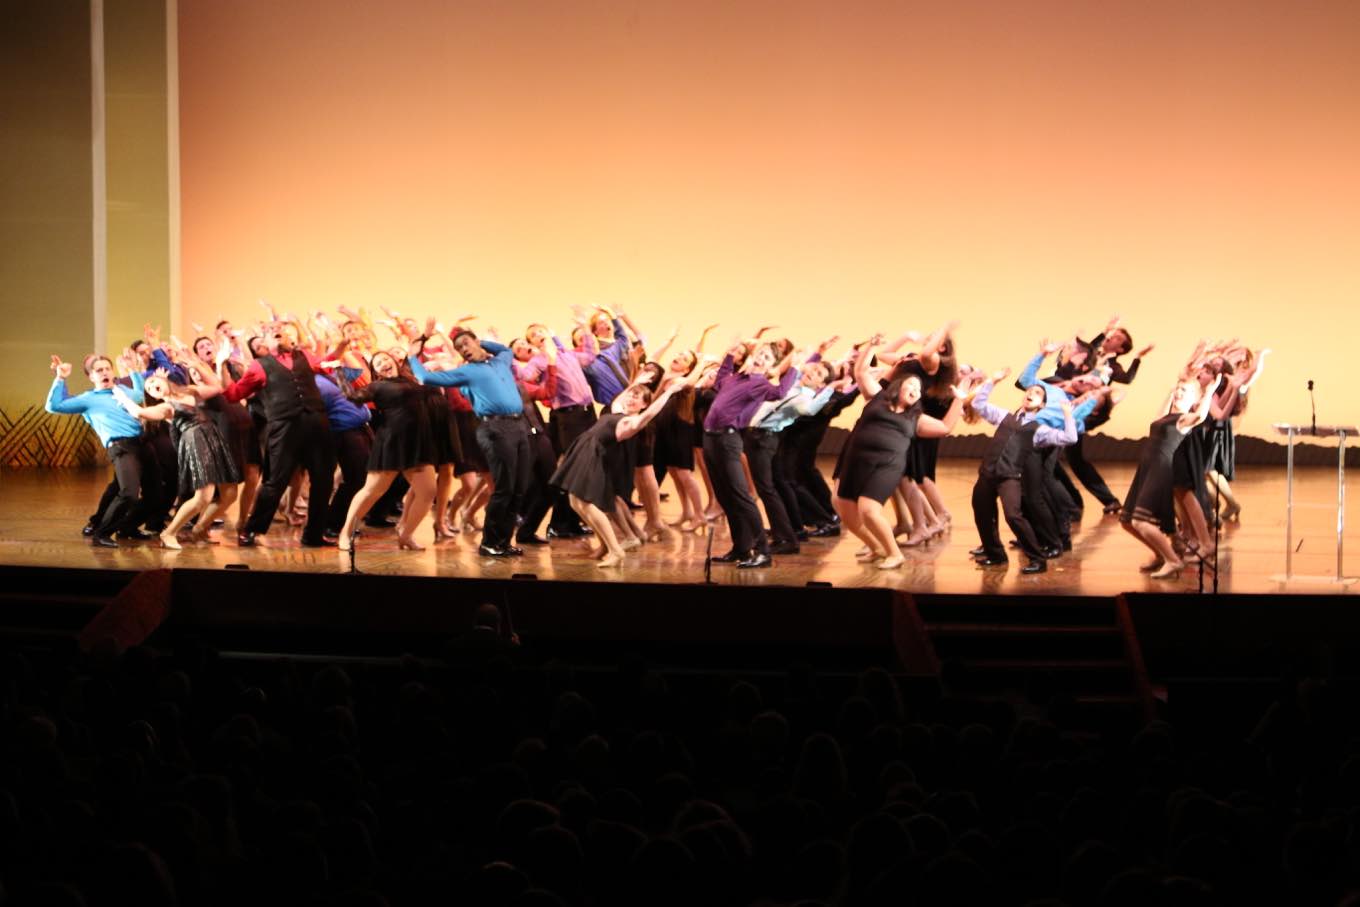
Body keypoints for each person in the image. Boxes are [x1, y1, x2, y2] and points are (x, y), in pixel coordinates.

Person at [833, 336, 965, 570]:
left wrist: (959, 401)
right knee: (844, 509)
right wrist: (871, 346)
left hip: (887, 466)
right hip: (857, 460)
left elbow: (944, 428)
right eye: (911, 384)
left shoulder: (916, 417)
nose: (915, 389)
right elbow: (862, 372)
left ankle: (895, 554)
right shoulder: (878, 397)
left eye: (918, 388)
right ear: (898, 386)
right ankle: (877, 548)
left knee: (869, 510)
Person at [408, 329, 530, 558]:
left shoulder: (500, 362)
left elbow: (505, 349)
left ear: (477, 342)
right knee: (503, 489)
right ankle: (490, 543)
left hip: (519, 426)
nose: (464, 349)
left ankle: (503, 542)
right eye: (459, 347)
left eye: (466, 343)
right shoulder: (467, 372)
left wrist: (481, 343)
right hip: (494, 428)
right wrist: (412, 357)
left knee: (519, 489)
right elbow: (425, 378)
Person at [551, 378, 691, 567]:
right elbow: (620, 398)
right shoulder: (617, 411)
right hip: (584, 449)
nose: (631, 398)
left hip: (593, 455)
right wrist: (636, 382)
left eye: (638, 397)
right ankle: (604, 546)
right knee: (574, 501)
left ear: (644, 405)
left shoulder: (631, 422)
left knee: (586, 503)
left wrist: (669, 392)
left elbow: (649, 414)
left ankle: (616, 550)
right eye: (632, 395)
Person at [221, 324, 337, 547]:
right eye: (272, 331)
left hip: (316, 424)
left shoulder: (304, 356)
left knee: (323, 480)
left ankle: (313, 534)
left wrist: (338, 344)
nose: (277, 331)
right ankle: (251, 529)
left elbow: (327, 364)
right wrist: (221, 366)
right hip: (284, 429)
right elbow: (234, 394)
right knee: (275, 482)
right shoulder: (259, 365)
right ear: (264, 342)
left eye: (281, 330)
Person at [111, 362, 242, 549]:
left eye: (154, 381)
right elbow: (138, 411)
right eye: (149, 388)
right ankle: (169, 532)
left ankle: (200, 529)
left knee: (230, 493)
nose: (152, 387)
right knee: (203, 497)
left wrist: (214, 361)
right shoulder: (166, 407)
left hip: (213, 439)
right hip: (197, 443)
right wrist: (123, 398)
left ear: (164, 379)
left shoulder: (189, 391)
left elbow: (217, 387)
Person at [967, 371, 1078, 575]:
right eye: (1030, 390)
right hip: (987, 474)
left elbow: (1070, 438)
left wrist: (1068, 415)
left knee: (1013, 515)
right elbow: (978, 405)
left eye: (1037, 393)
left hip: (1009, 476)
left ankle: (1037, 558)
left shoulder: (1039, 429)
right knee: (982, 513)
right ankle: (995, 554)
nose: (1031, 393)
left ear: (1042, 405)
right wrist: (992, 381)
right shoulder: (1004, 416)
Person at [703, 340, 799, 569]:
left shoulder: (760, 383)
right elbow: (719, 381)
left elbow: (780, 391)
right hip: (710, 438)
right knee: (725, 497)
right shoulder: (737, 377)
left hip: (728, 440)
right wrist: (729, 355)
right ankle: (741, 547)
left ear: (769, 368)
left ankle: (763, 551)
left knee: (741, 496)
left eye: (767, 358)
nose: (761, 358)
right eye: (760, 353)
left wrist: (792, 367)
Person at [45, 354, 153, 548]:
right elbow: (53, 406)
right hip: (121, 447)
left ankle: (127, 527)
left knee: (156, 493)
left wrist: (133, 370)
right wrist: (60, 378)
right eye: (99, 370)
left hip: (142, 444)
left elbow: (138, 394)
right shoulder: (88, 399)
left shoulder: (121, 390)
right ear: (91, 377)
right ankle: (101, 532)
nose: (104, 372)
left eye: (107, 369)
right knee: (129, 493)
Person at [1120, 375, 1223, 579]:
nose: (1178, 392)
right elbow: (1156, 419)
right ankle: (1160, 555)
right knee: (1127, 521)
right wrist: (1172, 390)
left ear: (1194, 398)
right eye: (1178, 389)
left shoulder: (1184, 420)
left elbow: (1201, 416)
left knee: (1141, 522)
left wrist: (1209, 393)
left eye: (1184, 391)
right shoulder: (1166, 417)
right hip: (1146, 470)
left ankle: (1173, 560)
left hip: (1160, 471)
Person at [334, 351, 437, 551]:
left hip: (417, 444)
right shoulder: (377, 386)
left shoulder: (412, 381)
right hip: (391, 443)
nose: (384, 363)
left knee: (427, 492)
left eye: (386, 359)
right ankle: (345, 532)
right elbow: (353, 397)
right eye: (378, 363)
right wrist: (339, 372)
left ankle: (406, 535)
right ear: (376, 372)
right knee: (372, 491)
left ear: (395, 361)